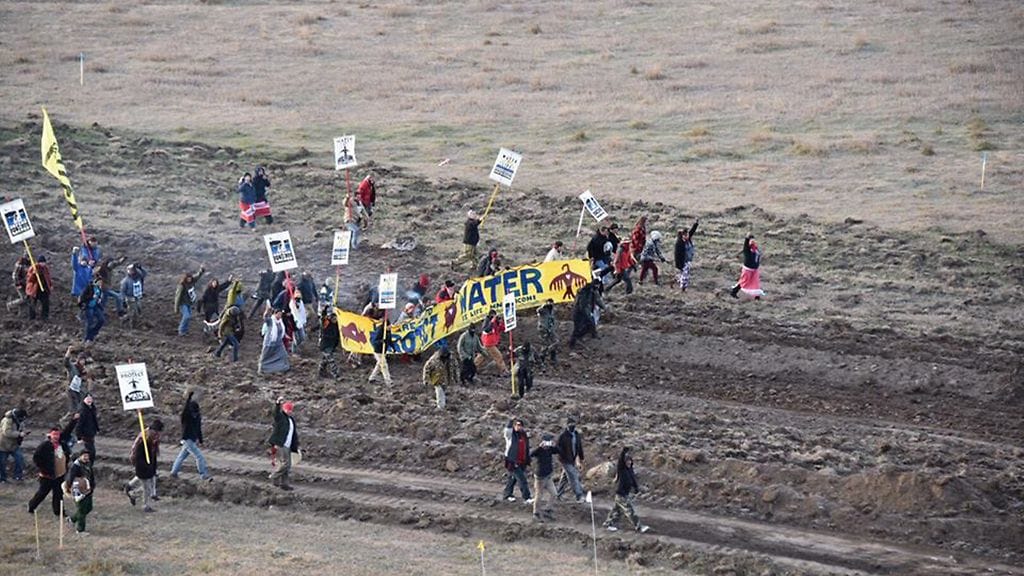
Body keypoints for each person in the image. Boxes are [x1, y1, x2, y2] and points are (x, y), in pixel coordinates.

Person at [28, 417, 77, 517]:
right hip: (47, 476)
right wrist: (43, 469)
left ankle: (59, 512)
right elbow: (36, 458)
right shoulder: (44, 446)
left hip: (59, 475)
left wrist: (74, 420)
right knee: (42, 493)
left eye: (57, 435)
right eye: (54, 435)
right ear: (50, 435)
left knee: (58, 494)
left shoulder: (62, 444)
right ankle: (32, 506)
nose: (56, 437)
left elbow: (67, 431)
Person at [603, 447, 650, 533]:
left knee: (617, 511)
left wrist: (636, 488)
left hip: (624, 494)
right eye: (627, 461)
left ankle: (608, 523)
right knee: (629, 511)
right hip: (621, 494)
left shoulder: (630, 470)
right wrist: (623, 451)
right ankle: (639, 527)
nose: (629, 462)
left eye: (630, 461)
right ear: (624, 462)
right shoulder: (622, 469)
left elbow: (633, 480)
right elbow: (620, 461)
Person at [169, 388, 212, 482]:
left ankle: (173, 473)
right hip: (187, 439)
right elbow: (185, 410)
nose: (195, 413)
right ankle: (204, 475)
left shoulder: (197, 417)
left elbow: (198, 428)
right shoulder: (186, 417)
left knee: (181, 456)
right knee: (199, 456)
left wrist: (200, 440)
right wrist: (188, 398)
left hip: (192, 439)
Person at [124, 418, 163, 513]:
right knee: (147, 488)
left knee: (147, 484)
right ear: (153, 431)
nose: (158, 435)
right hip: (142, 465)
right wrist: (146, 466)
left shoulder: (154, 438)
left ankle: (130, 488)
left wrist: (153, 464)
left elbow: (153, 452)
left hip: (150, 464)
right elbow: (137, 455)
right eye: (157, 432)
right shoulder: (143, 441)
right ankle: (145, 504)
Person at [268, 398, 299, 491]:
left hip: (288, 445)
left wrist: (295, 445)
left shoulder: (291, 420)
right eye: (288, 409)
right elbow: (275, 413)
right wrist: (277, 403)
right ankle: (274, 476)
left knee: (286, 465)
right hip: (281, 444)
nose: (289, 411)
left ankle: (284, 483)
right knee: (286, 464)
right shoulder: (281, 417)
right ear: (284, 409)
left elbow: (293, 433)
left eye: (290, 410)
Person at [64, 448, 95, 534]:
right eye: (84, 456)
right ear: (80, 456)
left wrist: (92, 486)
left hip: (88, 489)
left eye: (87, 456)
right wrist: (69, 488)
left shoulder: (88, 464)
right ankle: (80, 530)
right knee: (82, 510)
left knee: (89, 508)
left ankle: (72, 519)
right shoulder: (75, 466)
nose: (86, 457)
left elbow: (91, 475)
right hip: (79, 491)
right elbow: (70, 478)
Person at [502, 419, 533, 503]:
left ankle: (507, 494)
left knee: (512, 479)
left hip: (522, 461)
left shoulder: (523, 435)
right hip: (512, 461)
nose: (518, 427)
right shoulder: (510, 435)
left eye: (520, 425)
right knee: (522, 479)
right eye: (516, 425)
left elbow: (526, 447)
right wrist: (510, 422)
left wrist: (527, 459)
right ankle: (527, 497)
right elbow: (507, 431)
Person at [530, 434, 559, 522]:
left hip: (548, 476)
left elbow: (559, 451)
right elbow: (531, 454)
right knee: (539, 495)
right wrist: (539, 447)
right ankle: (536, 513)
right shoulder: (539, 450)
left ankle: (547, 509)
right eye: (547, 441)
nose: (548, 444)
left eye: (549, 441)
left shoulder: (550, 449)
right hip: (540, 477)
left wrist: (554, 446)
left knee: (554, 493)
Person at [555, 417, 585, 503]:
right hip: (565, 460)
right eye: (570, 424)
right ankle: (579, 496)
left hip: (572, 459)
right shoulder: (563, 436)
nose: (572, 426)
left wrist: (581, 458)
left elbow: (579, 447)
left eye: (574, 424)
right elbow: (558, 448)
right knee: (574, 476)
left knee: (564, 478)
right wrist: (562, 456)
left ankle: (557, 494)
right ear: (567, 425)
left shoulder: (576, 435)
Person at [730, 234, 764, 299]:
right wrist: (747, 238)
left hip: (755, 269)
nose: (753, 241)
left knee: (755, 282)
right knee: (744, 281)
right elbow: (745, 246)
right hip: (748, 269)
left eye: (753, 240)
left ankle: (757, 297)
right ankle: (733, 292)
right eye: (751, 240)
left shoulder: (756, 250)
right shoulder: (747, 250)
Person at [174, 266, 205, 336]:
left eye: (190, 278)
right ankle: (181, 330)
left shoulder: (192, 282)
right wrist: (176, 308)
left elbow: (197, 276)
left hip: (189, 303)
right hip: (183, 303)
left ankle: (185, 330)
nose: (189, 279)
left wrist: (201, 270)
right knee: (186, 316)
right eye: (188, 278)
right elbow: (177, 297)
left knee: (189, 317)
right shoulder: (182, 286)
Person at [568, 280, 601, 347]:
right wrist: (587, 315)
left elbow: (597, 300)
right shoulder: (585, 293)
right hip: (580, 313)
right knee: (578, 329)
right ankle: (572, 344)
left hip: (583, 312)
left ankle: (578, 339)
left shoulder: (590, 292)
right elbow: (582, 306)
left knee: (588, 325)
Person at [258, 308, 290, 374]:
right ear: (275, 314)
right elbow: (265, 318)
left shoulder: (280, 322)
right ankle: (262, 369)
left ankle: (282, 367)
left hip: (279, 343)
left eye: (281, 314)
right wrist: (266, 311)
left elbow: (281, 331)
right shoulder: (271, 321)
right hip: (270, 342)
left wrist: (285, 335)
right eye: (279, 314)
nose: (280, 316)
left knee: (283, 355)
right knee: (265, 356)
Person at [0, 408, 28, 483]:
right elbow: (6, 432)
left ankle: (18, 476)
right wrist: (19, 434)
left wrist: (23, 432)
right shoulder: (7, 420)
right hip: (3, 445)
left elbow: (21, 428)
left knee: (20, 459)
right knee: (2, 463)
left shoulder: (19, 421)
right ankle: (2, 478)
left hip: (14, 445)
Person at [674, 219, 700, 292]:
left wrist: (696, 224)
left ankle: (677, 281)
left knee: (684, 274)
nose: (687, 236)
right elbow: (677, 254)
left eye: (688, 235)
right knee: (685, 275)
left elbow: (692, 231)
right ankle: (683, 288)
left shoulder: (688, 239)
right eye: (686, 235)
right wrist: (679, 264)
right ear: (682, 235)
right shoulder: (679, 244)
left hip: (688, 260)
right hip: (683, 261)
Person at [24, 255, 52, 321]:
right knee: (32, 304)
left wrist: (50, 285)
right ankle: (32, 318)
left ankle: (45, 317)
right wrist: (34, 274)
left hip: (43, 288)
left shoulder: (45, 269)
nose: (43, 264)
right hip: (34, 289)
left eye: (44, 262)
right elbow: (29, 280)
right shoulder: (33, 268)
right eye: (42, 262)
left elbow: (48, 278)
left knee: (46, 303)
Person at [318, 306, 341, 379]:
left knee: (325, 359)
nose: (335, 319)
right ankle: (336, 374)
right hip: (325, 344)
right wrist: (324, 310)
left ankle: (321, 371)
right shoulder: (326, 323)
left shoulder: (337, 325)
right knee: (331, 360)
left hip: (332, 344)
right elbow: (322, 318)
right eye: (333, 318)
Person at [367, 319, 392, 384]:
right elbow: (374, 342)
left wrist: (393, 347)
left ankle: (372, 378)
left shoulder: (388, 331)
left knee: (379, 365)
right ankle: (388, 381)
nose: (390, 327)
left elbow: (389, 339)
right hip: (378, 351)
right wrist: (381, 341)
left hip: (384, 350)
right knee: (384, 365)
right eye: (389, 326)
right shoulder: (380, 331)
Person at [75, 394, 99, 461]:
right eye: (87, 398)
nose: (89, 400)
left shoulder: (92, 408)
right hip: (86, 434)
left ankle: (87, 464)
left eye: (90, 398)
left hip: (91, 433)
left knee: (90, 450)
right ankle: (87, 464)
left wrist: (97, 428)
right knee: (91, 451)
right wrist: (79, 437)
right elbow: (79, 424)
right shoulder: (83, 410)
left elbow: (94, 420)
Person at [536, 299, 557, 367]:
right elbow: (538, 310)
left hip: (550, 329)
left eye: (552, 303)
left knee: (556, 342)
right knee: (545, 344)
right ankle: (541, 360)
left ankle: (552, 358)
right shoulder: (543, 309)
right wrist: (544, 305)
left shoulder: (552, 310)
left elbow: (552, 320)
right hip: (543, 329)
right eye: (549, 303)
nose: (551, 304)